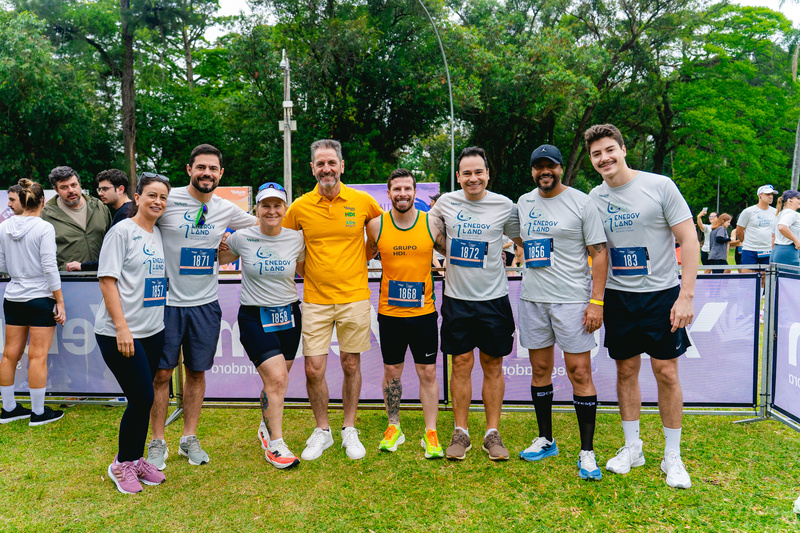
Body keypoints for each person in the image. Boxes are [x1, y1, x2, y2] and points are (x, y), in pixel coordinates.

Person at [585, 124, 698, 489]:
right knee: (625, 372)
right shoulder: (594, 198)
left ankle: (673, 457)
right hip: (619, 298)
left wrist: (686, 295)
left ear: (623, 148)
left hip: (662, 294)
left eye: (609, 150)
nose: (604, 158)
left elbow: (689, 239)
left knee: (666, 373)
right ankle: (633, 447)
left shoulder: (659, 186)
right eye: (596, 154)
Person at [147, 145, 256, 470]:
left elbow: (262, 226)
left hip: (205, 305)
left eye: (213, 169)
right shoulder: (168, 199)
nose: (206, 173)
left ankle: (188, 438)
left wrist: (230, 247)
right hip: (165, 304)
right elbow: (139, 225)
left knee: (196, 372)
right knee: (162, 374)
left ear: (221, 174)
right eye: (201, 167)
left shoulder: (225, 208)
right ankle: (157, 441)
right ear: (189, 169)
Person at [282, 139, 383, 461]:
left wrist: (364, 257)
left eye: (332, 162)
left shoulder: (363, 201)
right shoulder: (298, 207)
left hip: (354, 297)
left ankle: (349, 428)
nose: (326, 168)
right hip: (315, 300)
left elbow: (378, 237)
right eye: (320, 163)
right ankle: (322, 430)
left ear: (341, 166)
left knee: (351, 363)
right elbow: (287, 247)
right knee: (313, 368)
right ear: (312, 168)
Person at [514, 144, 608, 480]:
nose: (545, 172)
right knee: (540, 369)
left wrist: (596, 301)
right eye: (538, 167)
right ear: (532, 171)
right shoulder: (524, 203)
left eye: (550, 166)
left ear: (559, 168)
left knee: (579, 372)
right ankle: (546, 439)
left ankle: (587, 452)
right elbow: (514, 235)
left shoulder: (582, 202)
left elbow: (599, 254)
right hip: (533, 300)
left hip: (572, 301)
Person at [428, 146, 520, 462]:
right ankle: (461, 433)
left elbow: (523, 239)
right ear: (458, 176)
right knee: (461, 363)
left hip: (494, 300)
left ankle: (492, 434)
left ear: (487, 174)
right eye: (466, 173)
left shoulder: (505, 205)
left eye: (478, 172)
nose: (473, 178)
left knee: (493, 365)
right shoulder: (445, 203)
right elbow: (433, 236)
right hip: (457, 300)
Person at [218, 182, 305, 469]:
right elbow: (220, 258)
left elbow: (304, 269)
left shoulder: (296, 239)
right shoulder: (242, 237)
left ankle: (266, 425)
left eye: (277, 205)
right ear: (257, 208)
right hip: (255, 316)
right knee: (277, 379)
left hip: (289, 316)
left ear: (285, 208)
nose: (271, 210)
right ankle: (276, 445)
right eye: (265, 205)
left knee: (276, 382)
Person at [94, 173, 170, 494]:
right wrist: (122, 329)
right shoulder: (122, 232)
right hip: (120, 333)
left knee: (144, 398)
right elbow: (106, 281)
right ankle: (121, 464)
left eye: (163, 197)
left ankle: (137, 460)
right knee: (141, 397)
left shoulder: (157, 234)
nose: (157, 202)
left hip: (153, 330)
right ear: (137, 197)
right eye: (151, 195)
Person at [365, 169, 445, 459]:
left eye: (407, 188)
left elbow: (452, 251)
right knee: (392, 373)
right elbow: (360, 256)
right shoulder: (376, 226)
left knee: (428, 372)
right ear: (388, 194)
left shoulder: (431, 223)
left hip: (423, 313)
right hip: (390, 314)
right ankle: (394, 425)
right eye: (396, 189)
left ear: (415, 192)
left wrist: (491, 253)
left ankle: (431, 431)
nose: (402, 193)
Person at [0, 179, 66, 426]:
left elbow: (2, 265)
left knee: (9, 355)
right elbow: (50, 267)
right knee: (37, 356)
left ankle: (8, 409)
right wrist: (60, 301)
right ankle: (38, 412)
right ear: (43, 202)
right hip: (39, 298)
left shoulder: (4, 227)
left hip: (14, 297)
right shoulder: (44, 227)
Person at [42, 166, 112, 272]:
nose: (71, 190)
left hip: (103, 278)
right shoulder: (46, 215)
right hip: (69, 281)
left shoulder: (99, 207)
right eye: (64, 187)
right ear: (56, 190)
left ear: (79, 184)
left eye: (74, 185)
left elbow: (113, 244)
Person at [736, 185, 778, 272]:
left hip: (767, 250)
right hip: (750, 249)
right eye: (767, 194)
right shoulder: (748, 211)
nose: (770, 196)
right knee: (747, 276)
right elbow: (739, 230)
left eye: (772, 194)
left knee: (765, 277)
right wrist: (747, 242)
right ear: (760, 195)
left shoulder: (775, 212)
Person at [771, 190, 800, 267]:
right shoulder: (791, 213)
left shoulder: (779, 214)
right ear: (790, 201)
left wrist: (774, 252)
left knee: (779, 278)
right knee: (791, 278)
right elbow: (782, 227)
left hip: (777, 250)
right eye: (798, 198)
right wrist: (796, 241)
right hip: (788, 250)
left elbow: (774, 236)